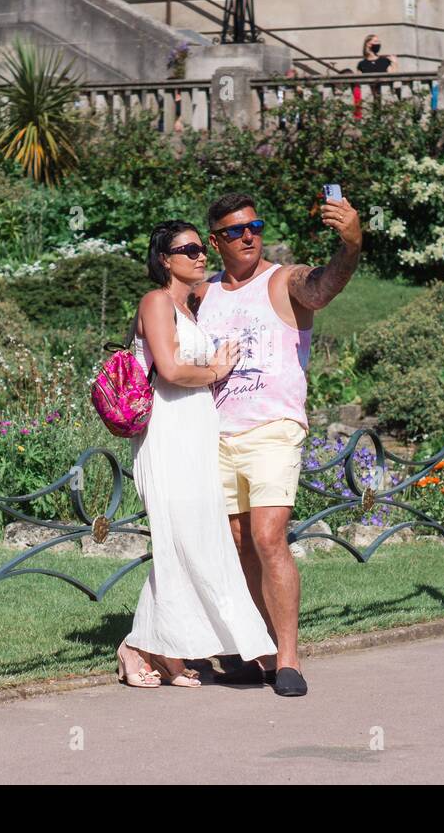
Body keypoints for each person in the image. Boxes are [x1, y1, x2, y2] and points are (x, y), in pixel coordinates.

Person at [193, 191, 363, 697]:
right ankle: (258, 650)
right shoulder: (204, 294)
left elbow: (323, 288)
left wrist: (351, 244)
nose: (248, 236)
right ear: (215, 241)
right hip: (217, 431)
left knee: (269, 536)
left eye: (255, 226)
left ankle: (288, 657)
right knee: (238, 543)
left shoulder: (284, 280)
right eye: (234, 231)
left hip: (273, 428)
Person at [116, 221, 278, 689]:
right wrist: (215, 369)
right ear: (164, 259)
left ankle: (168, 647)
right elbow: (167, 369)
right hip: (166, 435)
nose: (199, 255)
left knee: (198, 540)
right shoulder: (155, 301)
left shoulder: (191, 306)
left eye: (200, 248)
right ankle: (138, 647)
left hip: (196, 434)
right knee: (178, 541)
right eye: (186, 250)